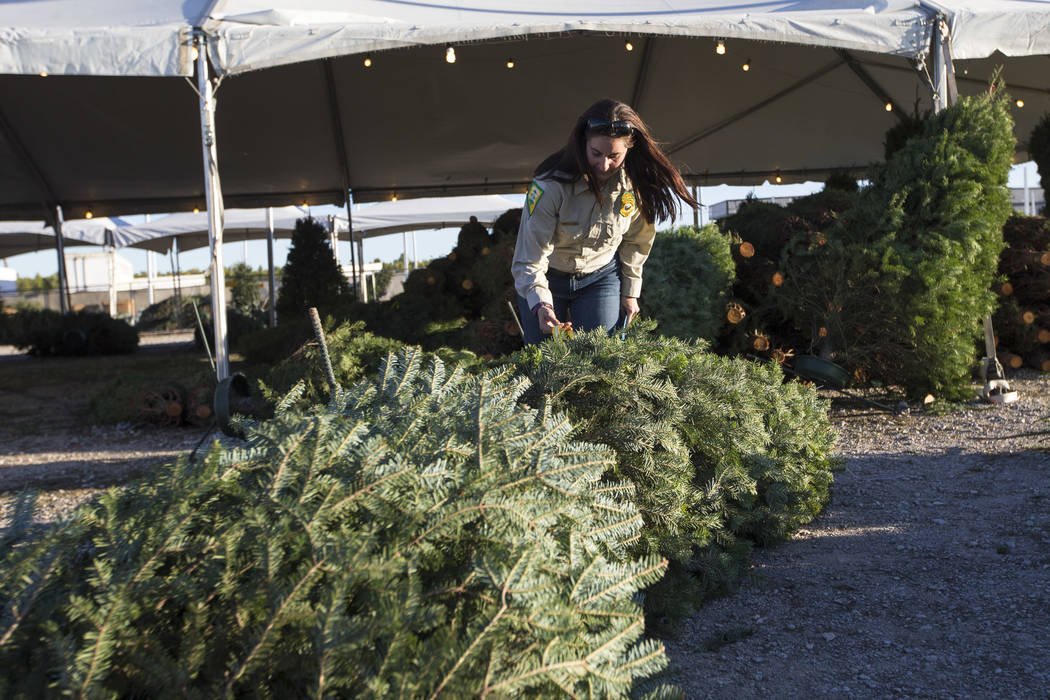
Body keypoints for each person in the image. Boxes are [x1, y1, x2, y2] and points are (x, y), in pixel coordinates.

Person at [512, 98, 698, 345]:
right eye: (596, 154)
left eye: (614, 156)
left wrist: (630, 293)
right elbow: (529, 259)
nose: (604, 164)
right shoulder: (549, 187)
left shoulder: (635, 186)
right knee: (543, 364)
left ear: (629, 147)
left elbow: (636, 242)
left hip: (600, 279)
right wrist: (541, 305)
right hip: (547, 278)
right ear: (583, 144)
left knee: (602, 361)